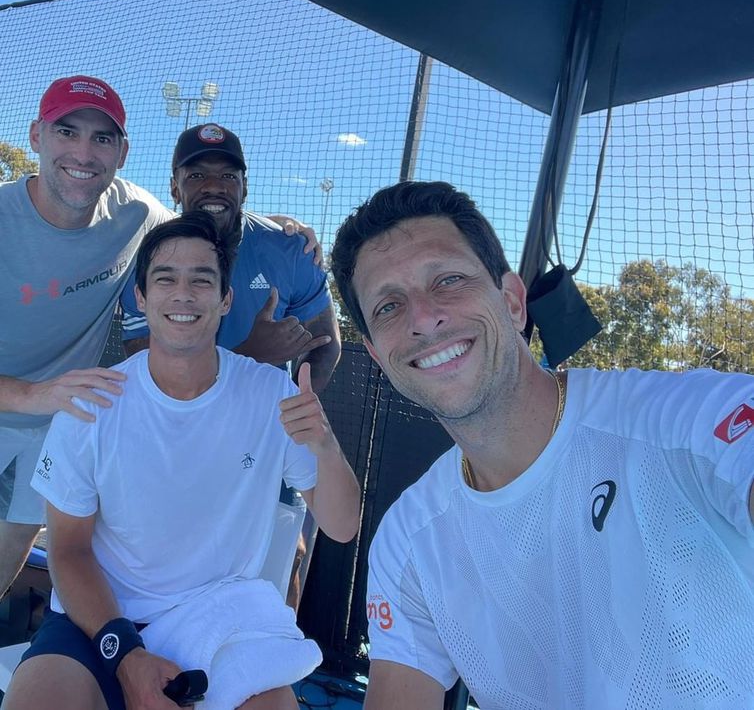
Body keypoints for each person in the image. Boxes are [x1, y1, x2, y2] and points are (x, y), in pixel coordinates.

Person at [330, 180, 754, 710]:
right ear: (375, 356)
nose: (422, 318)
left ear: (511, 300)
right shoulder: (409, 541)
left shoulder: (682, 421)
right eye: (388, 307)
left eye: (449, 280)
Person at [4, 211, 361, 710]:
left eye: (202, 279)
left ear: (225, 299)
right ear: (141, 299)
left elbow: (343, 527)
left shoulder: (272, 396)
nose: (184, 293)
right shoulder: (91, 404)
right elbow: (68, 552)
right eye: (166, 278)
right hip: (99, 621)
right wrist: (126, 656)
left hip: (221, 619)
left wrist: (325, 445)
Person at [0, 75, 172, 600]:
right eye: (67, 131)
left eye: (102, 139)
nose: (83, 152)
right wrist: (36, 394)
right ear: (36, 136)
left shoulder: (139, 215)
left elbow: (200, 236)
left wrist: (272, 225)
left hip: (53, 431)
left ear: (122, 152)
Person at [121, 123, 341, 394]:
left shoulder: (293, 250)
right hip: (175, 423)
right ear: (174, 189)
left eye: (228, 176)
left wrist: (291, 409)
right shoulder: (149, 259)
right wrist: (249, 355)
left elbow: (325, 343)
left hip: (261, 423)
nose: (214, 186)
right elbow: (144, 364)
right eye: (197, 175)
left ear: (244, 188)